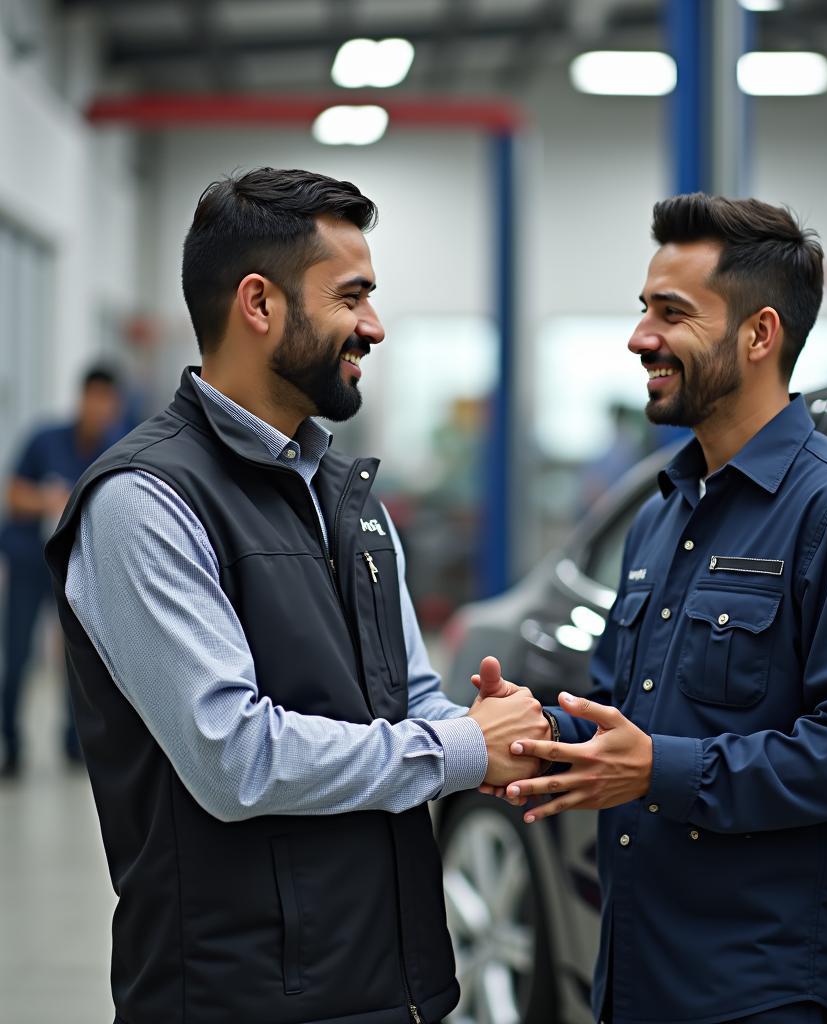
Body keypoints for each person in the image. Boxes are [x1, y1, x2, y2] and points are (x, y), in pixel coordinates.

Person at [44, 168, 548, 1024]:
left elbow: (410, 699)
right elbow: (233, 758)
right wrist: (458, 748)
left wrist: (498, 737)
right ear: (259, 303)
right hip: (237, 995)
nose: (374, 326)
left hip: (393, 982)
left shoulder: (349, 496)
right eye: (352, 297)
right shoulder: (145, 502)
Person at [499, 194, 827, 1024]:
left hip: (755, 990)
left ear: (760, 335)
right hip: (633, 972)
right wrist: (540, 734)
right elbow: (629, 722)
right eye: (642, 310)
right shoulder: (661, 516)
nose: (639, 338)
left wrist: (659, 769)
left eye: (672, 313)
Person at [0, 365, 124, 776]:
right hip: (29, 563)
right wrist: (49, 500)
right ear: (82, 399)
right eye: (94, 398)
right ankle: (10, 744)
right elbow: (13, 496)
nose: (99, 409)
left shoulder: (117, 449)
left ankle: (75, 744)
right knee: (18, 654)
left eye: (108, 402)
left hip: (76, 570)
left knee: (77, 659)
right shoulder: (45, 440)